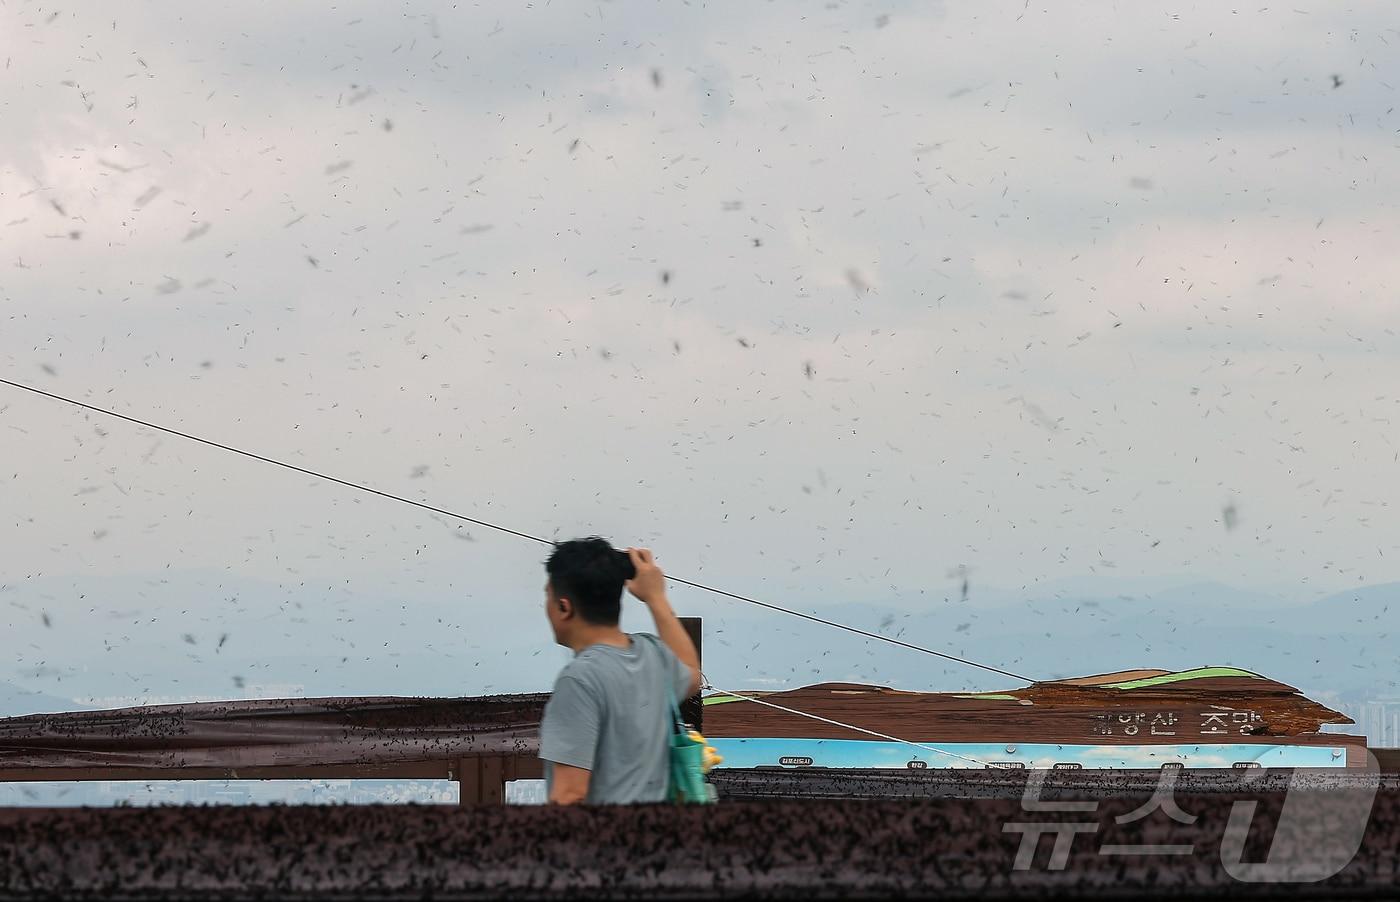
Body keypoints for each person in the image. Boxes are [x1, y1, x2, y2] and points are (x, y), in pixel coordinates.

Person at [538, 538, 701, 805]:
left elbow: (568, 795)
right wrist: (656, 598)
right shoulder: (653, 653)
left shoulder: (579, 680)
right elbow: (692, 675)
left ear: (564, 607)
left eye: (548, 595)